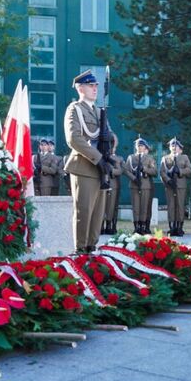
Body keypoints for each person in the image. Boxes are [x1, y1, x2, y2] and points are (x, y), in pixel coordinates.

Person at [63, 70, 110, 253]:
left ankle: (92, 248)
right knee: (84, 212)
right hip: (84, 167)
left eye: (96, 85)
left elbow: (108, 137)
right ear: (80, 88)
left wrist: (109, 154)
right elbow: (74, 139)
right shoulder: (75, 109)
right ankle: (80, 250)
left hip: (101, 169)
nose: (95, 88)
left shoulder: (99, 112)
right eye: (91, 85)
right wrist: (98, 159)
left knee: (98, 215)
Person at [159, 137, 191, 237]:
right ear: (169, 147)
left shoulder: (184, 157)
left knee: (180, 205)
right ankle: (172, 227)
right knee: (171, 206)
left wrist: (180, 171)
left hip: (181, 185)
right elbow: (162, 172)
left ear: (179, 148)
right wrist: (168, 181)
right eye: (172, 146)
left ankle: (179, 227)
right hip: (170, 185)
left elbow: (190, 169)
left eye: (176, 146)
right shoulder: (165, 158)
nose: (174, 147)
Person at [124, 138, 157, 234]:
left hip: (145, 185)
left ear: (145, 147)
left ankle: (143, 226)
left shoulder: (149, 158)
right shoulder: (131, 157)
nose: (139, 147)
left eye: (141, 146)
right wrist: (133, 178)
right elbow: (126, 170)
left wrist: (145, 169)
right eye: (138, 146)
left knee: (144, 206)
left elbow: (154, 171)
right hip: (134, 185)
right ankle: (136, 226)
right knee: (136, 206)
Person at [100, 136, 122, 235]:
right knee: (101, 205)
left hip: (112, 183)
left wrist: (111, 170)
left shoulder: (114, 158)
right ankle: (100, 225)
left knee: (111, 206)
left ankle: (109, 225)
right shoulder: (100, 156)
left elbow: (120, 170)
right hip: (100, 183)